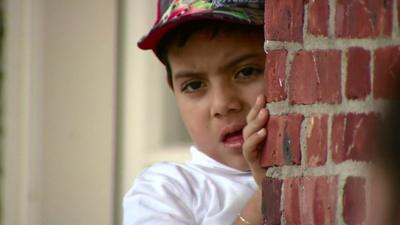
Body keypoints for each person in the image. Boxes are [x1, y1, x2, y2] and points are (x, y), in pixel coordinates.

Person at [123, 1, 268, 224]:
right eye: (194, 85)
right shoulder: (166, 191)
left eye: (246, 72)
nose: (222, 105)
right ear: (173, 89)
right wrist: (265, 196)